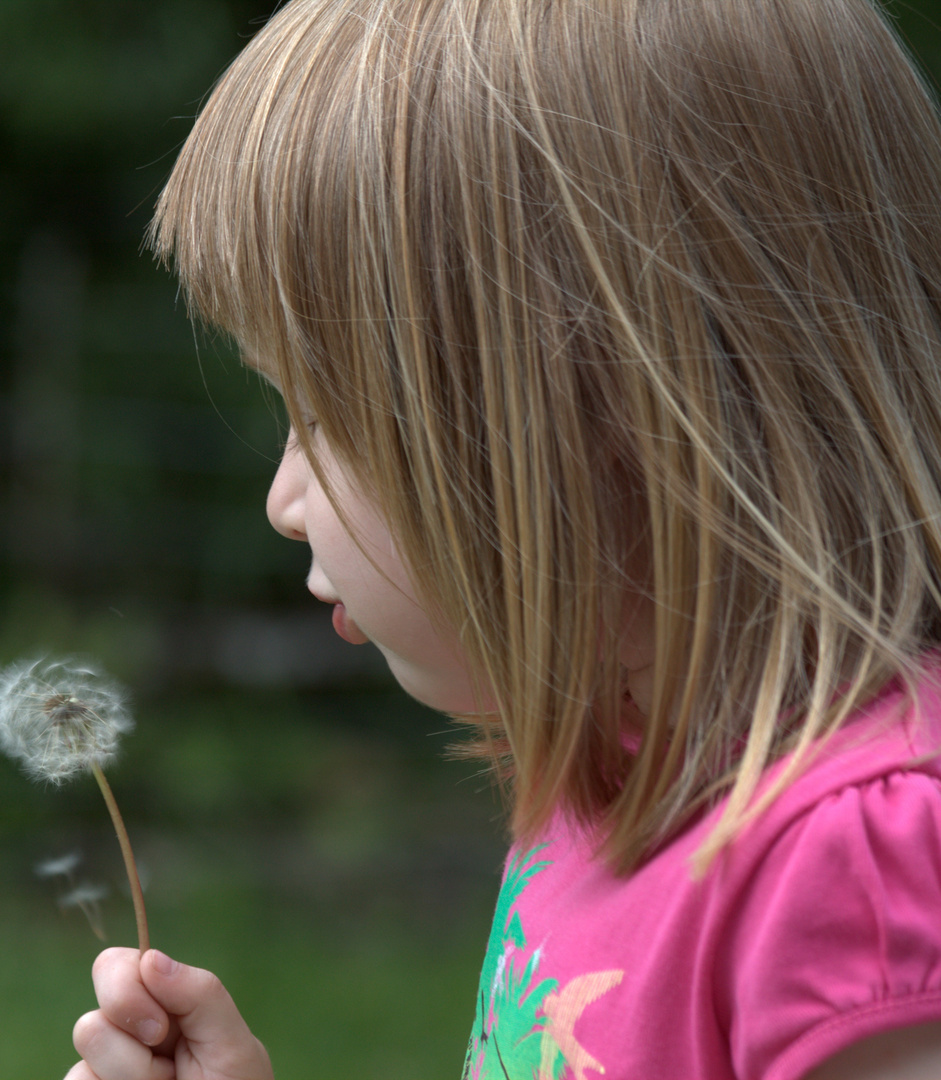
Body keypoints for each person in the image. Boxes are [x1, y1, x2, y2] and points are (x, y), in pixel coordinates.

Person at [65, 0, 941, 1077]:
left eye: (321, 416)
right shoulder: (602, 784)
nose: (282, 500)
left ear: (595, 425)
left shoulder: (857, 867)